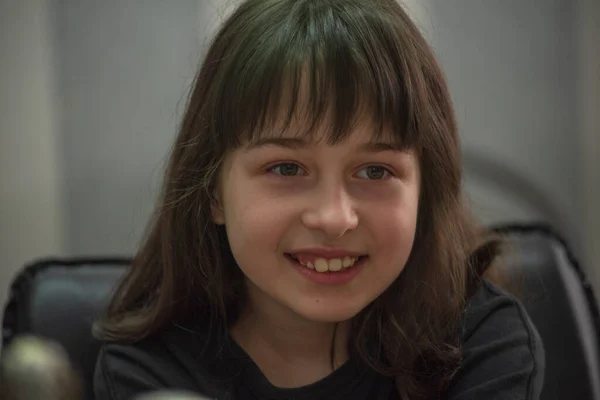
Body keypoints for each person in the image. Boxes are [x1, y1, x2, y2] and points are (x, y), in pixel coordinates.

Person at [93, 0, 545, 399]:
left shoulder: (480, 344)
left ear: (425, 191)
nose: (334, 218)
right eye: (286, 168)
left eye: (375, 171)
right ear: (213, 191)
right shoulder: (152, 373)